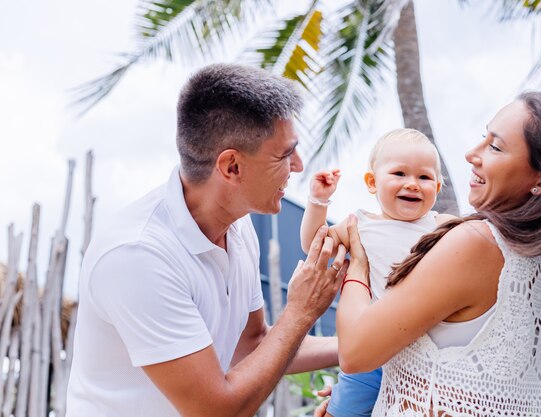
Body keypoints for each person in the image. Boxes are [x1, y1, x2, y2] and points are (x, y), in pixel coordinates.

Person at [66, 63, 349, 417]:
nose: (299, 165)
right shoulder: (137, 256)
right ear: (231, 167)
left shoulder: (240, 227)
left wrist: (368, 342)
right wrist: (302, 310)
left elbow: (253, 346)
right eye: (284, 154)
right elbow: (217, 411)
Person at [319, 91, 541, 417]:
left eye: (495, 147)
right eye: (483, 138)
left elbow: (355, 351)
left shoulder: (476, 244)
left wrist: (357, 264)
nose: (472, 153)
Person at [301, 129, 455, 417]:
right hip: (369, 348)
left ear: (437, 185)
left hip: (424, 353)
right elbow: (315, 244)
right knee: (342, 411)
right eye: (399, 173)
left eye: (424, 178)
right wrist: (318, 202)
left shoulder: (442, 225)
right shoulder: (358, 225)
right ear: (372, 182)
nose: (412, 184)